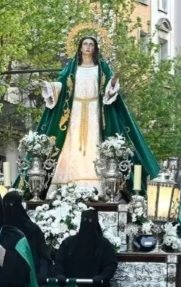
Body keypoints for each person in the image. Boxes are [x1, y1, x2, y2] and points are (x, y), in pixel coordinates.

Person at [36, 35, 157, 195]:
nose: (87, 47)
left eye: (91, 44)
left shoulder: (102, 67)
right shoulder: (72, 67)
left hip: (94, 112)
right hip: (76, 113)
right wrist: (49, 86)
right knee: (72, 145)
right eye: (85, 44)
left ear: (95, 48)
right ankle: (67, 185)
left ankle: (99, 188)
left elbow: (108, 90)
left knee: (94, 144)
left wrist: (113, 83)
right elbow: (62, 85)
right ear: (79, 47)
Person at [3, 191, 51, 282]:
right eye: (7, 205)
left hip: (32, 276)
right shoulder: (0, 229)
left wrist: (42, 272)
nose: (10, 208)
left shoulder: (31, 228)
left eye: (13, 205)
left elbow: (42, 253)